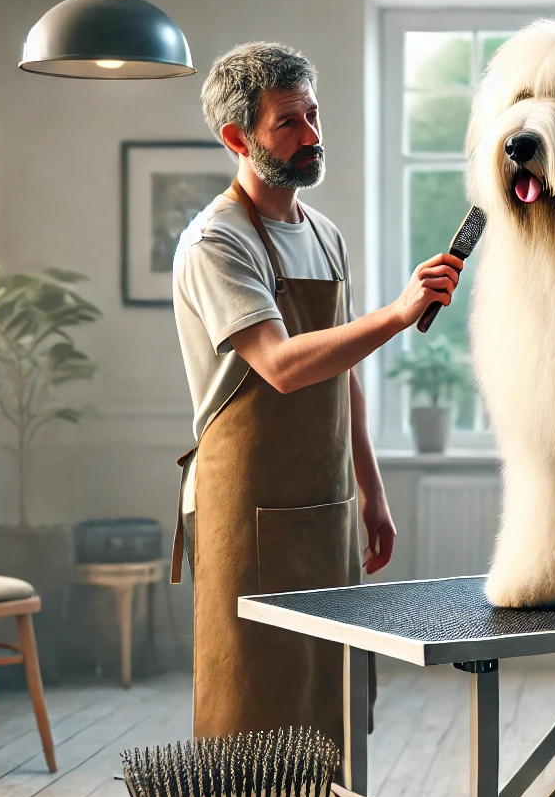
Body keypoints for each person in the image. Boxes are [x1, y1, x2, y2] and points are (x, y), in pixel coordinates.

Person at [171, 41, 461, 738]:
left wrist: (372, 488)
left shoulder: (325, 235)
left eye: (314, 115)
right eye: (288, 124)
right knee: (253, 696)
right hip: (246, 507)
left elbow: (341, 372)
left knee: (330, 690)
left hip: (326, 501)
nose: (312, 136)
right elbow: (282, 363)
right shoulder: (218, 242)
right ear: (237, 138)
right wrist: (397, 313)